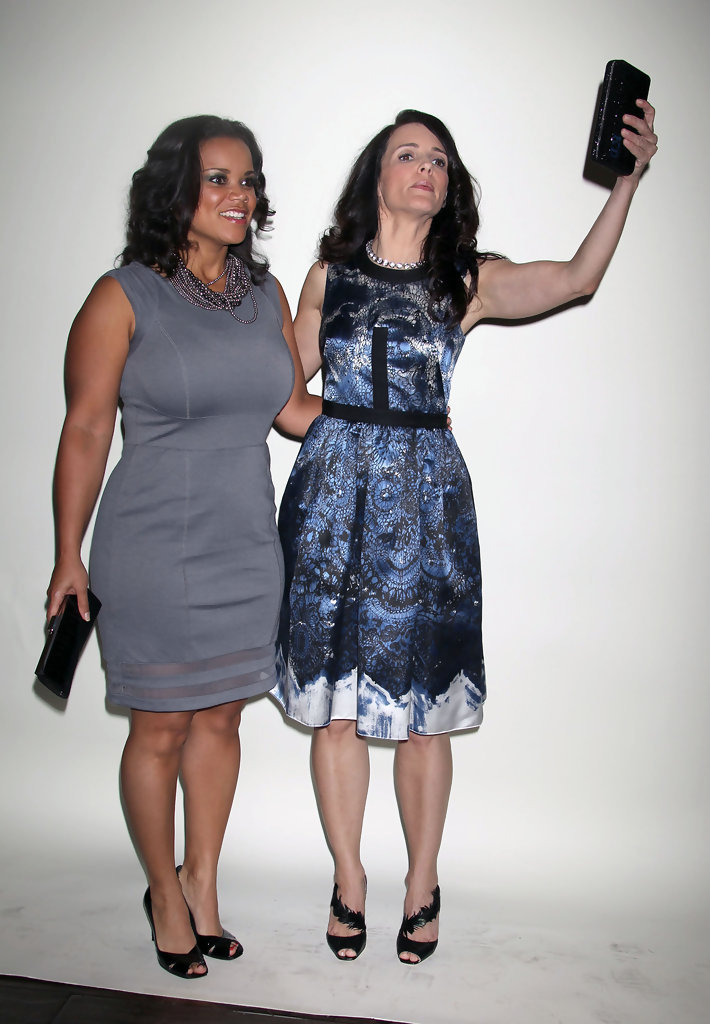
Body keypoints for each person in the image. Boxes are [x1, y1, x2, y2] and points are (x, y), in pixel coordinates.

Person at [273, 103, 658, 964]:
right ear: (376, 176)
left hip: (428, 512)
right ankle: (348, 880)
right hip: (333, 512)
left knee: (425, 717)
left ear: (449, 186)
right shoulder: (328, 276)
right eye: (408, 154)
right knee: (336, 713)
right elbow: (283, 395)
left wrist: (625, 183)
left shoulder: (464, 280)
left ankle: (422, 884)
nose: (426, 167)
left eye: (439, 160)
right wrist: (347, 430)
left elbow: (576, 279)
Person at [46, 115, 320, 978]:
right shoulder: (123, 295)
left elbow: (292, 411)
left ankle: (202, 880)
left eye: (248, 180)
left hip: (247, 543)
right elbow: (86, 429)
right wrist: (67, 553)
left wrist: (392, 419)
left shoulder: (264, 295)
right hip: (152, 545)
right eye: (218, 179)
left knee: (222, 717)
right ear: (177, 191)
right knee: (160, 725)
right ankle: (163, 892)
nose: (240, 195)